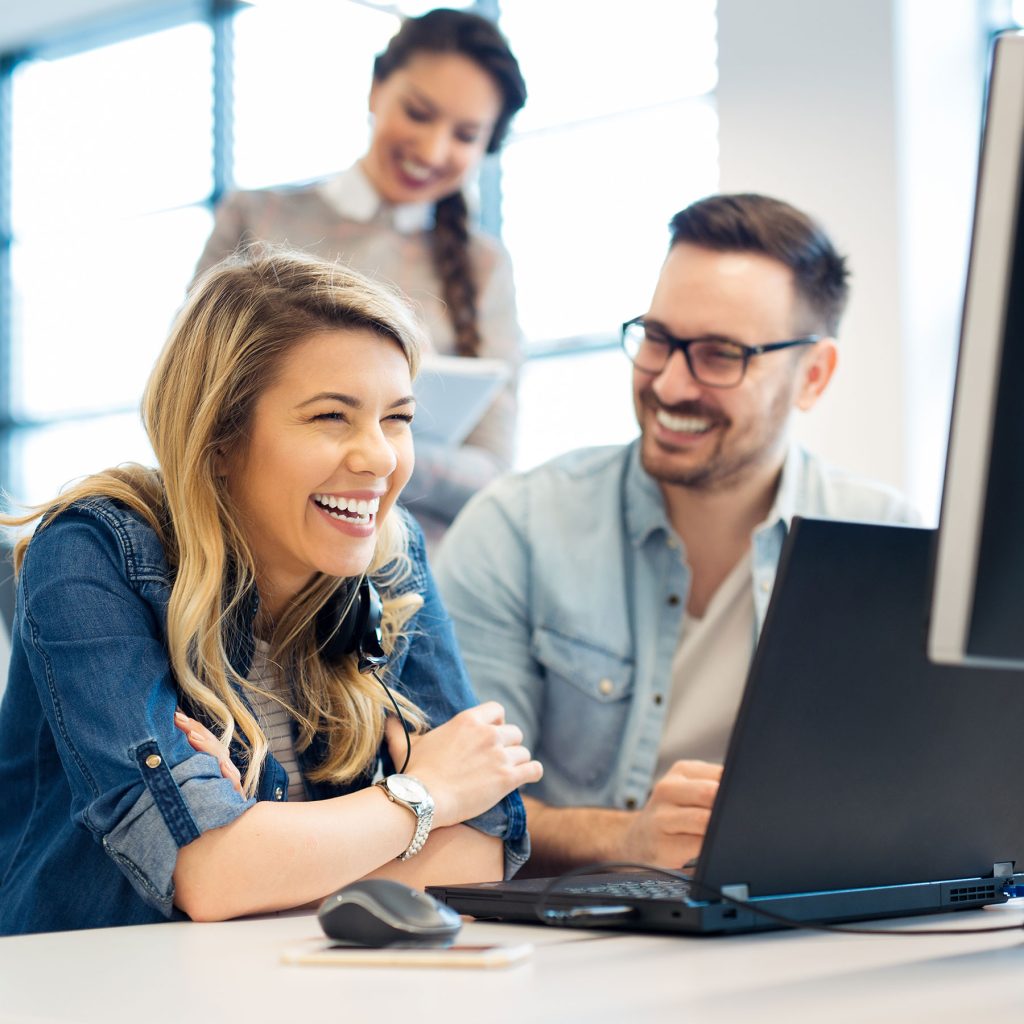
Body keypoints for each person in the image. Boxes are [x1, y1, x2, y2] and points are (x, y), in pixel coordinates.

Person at [0, 247, 542, 936]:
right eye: (330, 418)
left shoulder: (389, 553)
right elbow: (212, 875)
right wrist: (424, 792)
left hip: (286, 984)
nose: (379, 456)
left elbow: (479, 851)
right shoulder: (90, 552)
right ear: (220, 438)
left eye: (397, 418)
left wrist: (264, 847)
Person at [434, 193, 919, 875]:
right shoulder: (515, 528)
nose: (669, 382)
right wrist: (627, 838)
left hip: (810, 935)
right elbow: (458, 805)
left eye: (720, 355)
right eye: (658, 339)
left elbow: (925, 800)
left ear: (813, 376)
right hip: (575, 950)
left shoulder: (890, 545)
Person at [195, 8, 527, 540]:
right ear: (376, 89)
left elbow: (493, 472)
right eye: (419, 113)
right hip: (252, 549)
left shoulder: (485, 268)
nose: (433, 149)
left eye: (465, 135)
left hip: (413, 575)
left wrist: (362, 440)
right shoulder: (257, 220)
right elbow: (189, 402)